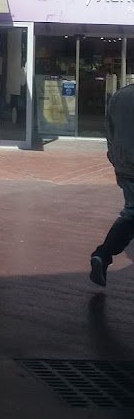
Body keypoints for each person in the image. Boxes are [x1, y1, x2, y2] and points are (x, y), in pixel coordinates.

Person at [90, 83, 134, 286]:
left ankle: (103, 255)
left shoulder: (119, 96)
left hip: (125, 165)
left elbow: (109, 131)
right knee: (131, 215)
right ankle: (103, 254)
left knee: (131, 214)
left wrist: (115, 159)